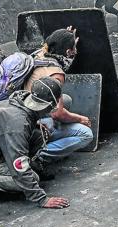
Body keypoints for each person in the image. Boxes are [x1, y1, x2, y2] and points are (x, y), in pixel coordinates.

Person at [0, 77, 70, 209]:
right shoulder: (17, 125)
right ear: (47, 105)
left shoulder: (22, 99)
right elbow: (20, 166)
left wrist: (35, 124)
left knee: (38, 134)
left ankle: (23, 167)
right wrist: (41, 199)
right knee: (31, 178)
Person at [25, 28, 93, 169]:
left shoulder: (39, 55)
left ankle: (49, 137)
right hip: (35, 125)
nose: (75, 52)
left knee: (65, 99)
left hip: (26, 112)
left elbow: (57, 44)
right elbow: (57, 113)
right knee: (86, 134)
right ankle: (39, 156)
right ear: (68, 52)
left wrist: (66, 36)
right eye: (73, 49)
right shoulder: (56, 74)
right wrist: (80, 119)